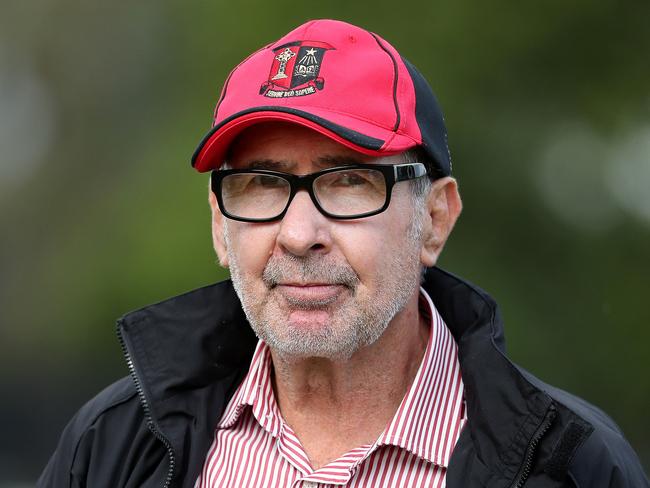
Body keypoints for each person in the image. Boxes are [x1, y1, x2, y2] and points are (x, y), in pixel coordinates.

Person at [38, 19, 648, 488]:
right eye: (261, 184)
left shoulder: (570, 463)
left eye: (348, 182)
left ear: (434, 220)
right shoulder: (113, 443)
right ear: (221, 227)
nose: (299, 234)